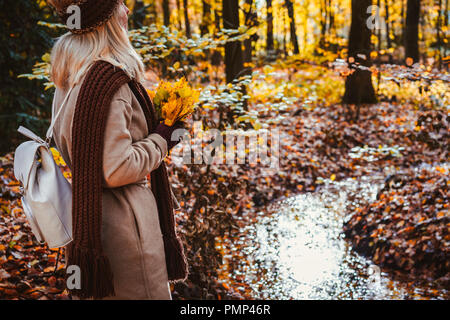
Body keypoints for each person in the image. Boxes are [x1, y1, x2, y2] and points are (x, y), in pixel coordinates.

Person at [47, 0, 188, 300]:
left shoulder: (70, 75)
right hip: (127, 228)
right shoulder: (112, 84)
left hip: (89, 215)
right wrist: (163, 137)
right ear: (107, 17)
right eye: (120, 4)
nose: (127, 10)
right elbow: (116, 168)